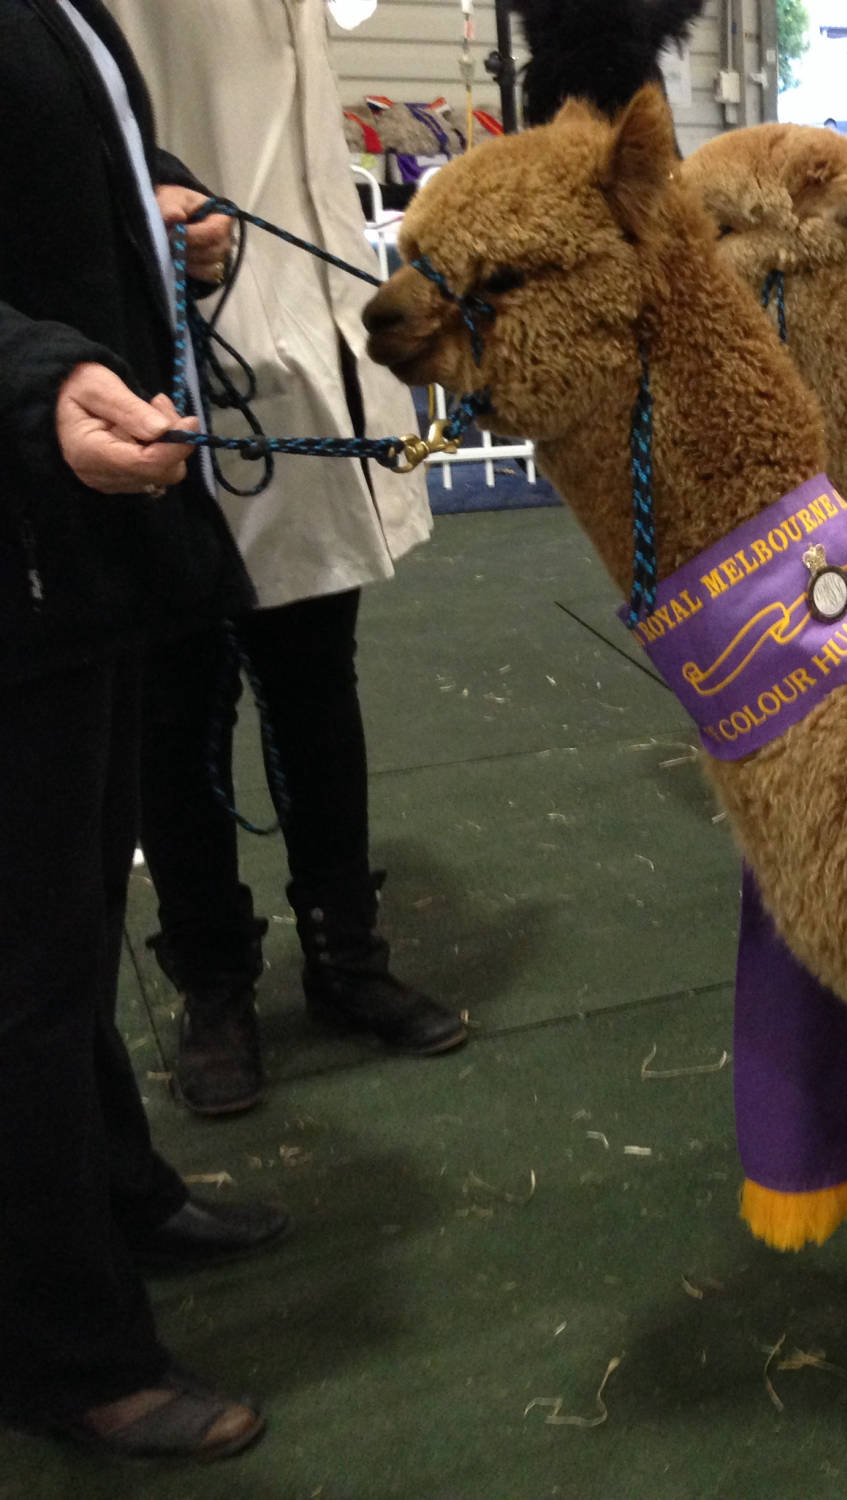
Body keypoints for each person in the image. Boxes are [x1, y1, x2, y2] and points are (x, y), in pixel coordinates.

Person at [1, 0, 290, 1460]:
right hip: (26, 516)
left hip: (83, 533)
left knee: (65, 930)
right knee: (24, 974)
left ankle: (114, 1196)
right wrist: (34, 377)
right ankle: (66, 1350)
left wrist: (164, 198)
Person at [103, 0, 467, 1117]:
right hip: (162, 348)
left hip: (308, 349)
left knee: (315, 681)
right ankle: (213, 979)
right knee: (181, 700)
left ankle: (344, 955)